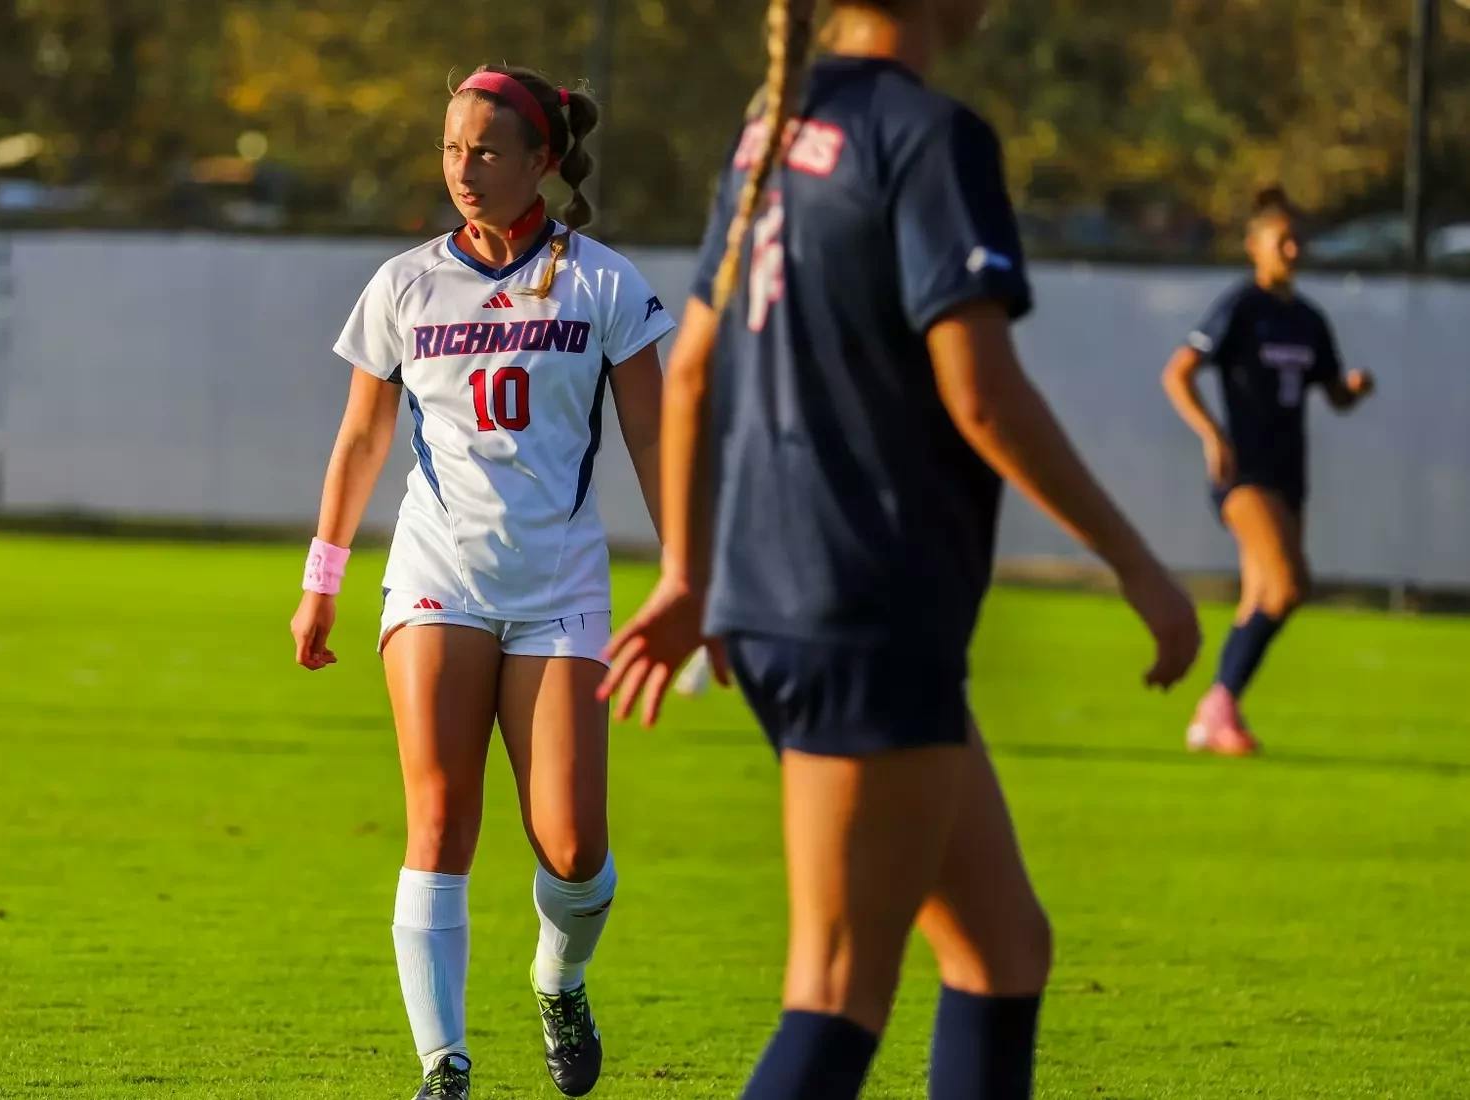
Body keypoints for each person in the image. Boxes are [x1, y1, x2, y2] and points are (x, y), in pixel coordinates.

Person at [598, 2, 1201, 1097]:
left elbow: (690, 372)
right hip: (864, 607)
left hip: (790, 599)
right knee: (833, 993)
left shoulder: (775, 124)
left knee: (1002, 950)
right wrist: (1137, 563)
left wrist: (692, 572)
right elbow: (982, 396)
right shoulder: (926, 133)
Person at [288, 65, 673, 1100]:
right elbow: (363, 437)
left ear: (544, 162)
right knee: (441, 815)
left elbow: (651, 432)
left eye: (489, 151)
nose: (465, 169)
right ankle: (443, 1064)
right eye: (453, 148)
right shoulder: (405, 282)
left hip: (559, 587)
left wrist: (689, 568)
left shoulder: (603, 282)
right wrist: (322, 579)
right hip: (436, 575)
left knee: (572, 841)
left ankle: (560, 976)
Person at [1162, 186, 1374, 756]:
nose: (1293, 249)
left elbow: (1332, 394)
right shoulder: (1241, 308)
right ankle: (1217, 706)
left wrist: (1353, 389)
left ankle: (1216, 713)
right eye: (1281, 240)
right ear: (1254, 246)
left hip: (1289, 472)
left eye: (1298, 239)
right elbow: (1177, 373)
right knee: (1287, 586)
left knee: (1264, 596)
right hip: (1243, 471)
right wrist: (1211, 435)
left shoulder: (1308, 319)